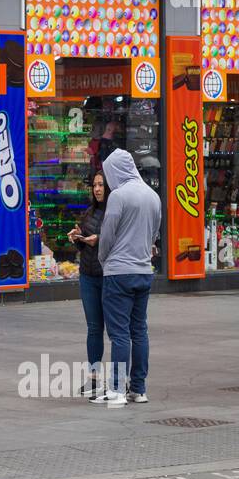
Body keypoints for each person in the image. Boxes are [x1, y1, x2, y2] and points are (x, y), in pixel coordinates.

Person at [93, 149, 161, 407]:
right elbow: (155, 232)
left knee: (119, 334)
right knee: (139, 330)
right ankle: (139, 388)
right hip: (144, 271)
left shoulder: (119, 196)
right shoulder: (153, 196)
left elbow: (107, 234)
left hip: (118, 271)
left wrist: (103, 260)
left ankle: (117, 389)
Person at [68, 172, 108, 397]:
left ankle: (123, 379)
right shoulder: (89, 213)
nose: (98, 189)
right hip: (88, 275)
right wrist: (78, 238)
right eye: (95, 185)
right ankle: (93, 378)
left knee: (116, 330)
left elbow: (118, 240)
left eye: (101, 185)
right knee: (94, 328)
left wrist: (100, 239)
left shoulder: (115, 211)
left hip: (108, 275)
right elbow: (84, 247)